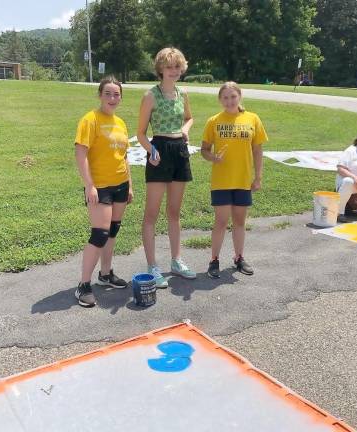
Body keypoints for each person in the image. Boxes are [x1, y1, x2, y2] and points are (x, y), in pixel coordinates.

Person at [137, 47, 196, 288]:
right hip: (159, 151)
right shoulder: (150, 95)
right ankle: (152, 266)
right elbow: (140, 133)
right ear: (160, 69)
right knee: (151, 214)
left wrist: (185, 130)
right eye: (169, 67)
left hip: (179, 151)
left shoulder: (183, 95)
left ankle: (176, 260)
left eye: (177, 67)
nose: (174, 71)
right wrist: (151, 151)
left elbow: (190, 118)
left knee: (174, 212)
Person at [74, 76, 133, 307]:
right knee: (99, 234)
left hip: (120, 184)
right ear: (100, 95)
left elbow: (124, 156)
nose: (112, 98)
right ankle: (84, 285)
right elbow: (81, 154)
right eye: (107, 93)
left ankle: (106, 274)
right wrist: (90, 185)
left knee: (113, 231)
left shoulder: (120, 123)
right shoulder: (90, 120)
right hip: (100, 187)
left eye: (116, 94)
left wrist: (129, 184)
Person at [201, 82, 268, 278]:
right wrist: (213, 157)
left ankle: (239, 258)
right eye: (225, 98)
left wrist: (258, 177)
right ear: (220, 100)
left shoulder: (252, 119)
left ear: (239, 96)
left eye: (233, 96)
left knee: (239, 221)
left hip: (243, 180)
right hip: (221, 181)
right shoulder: (213, 121)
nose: (229, 101)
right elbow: (204, 150)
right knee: (220, 222)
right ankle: (214, 260)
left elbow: (257, 150)